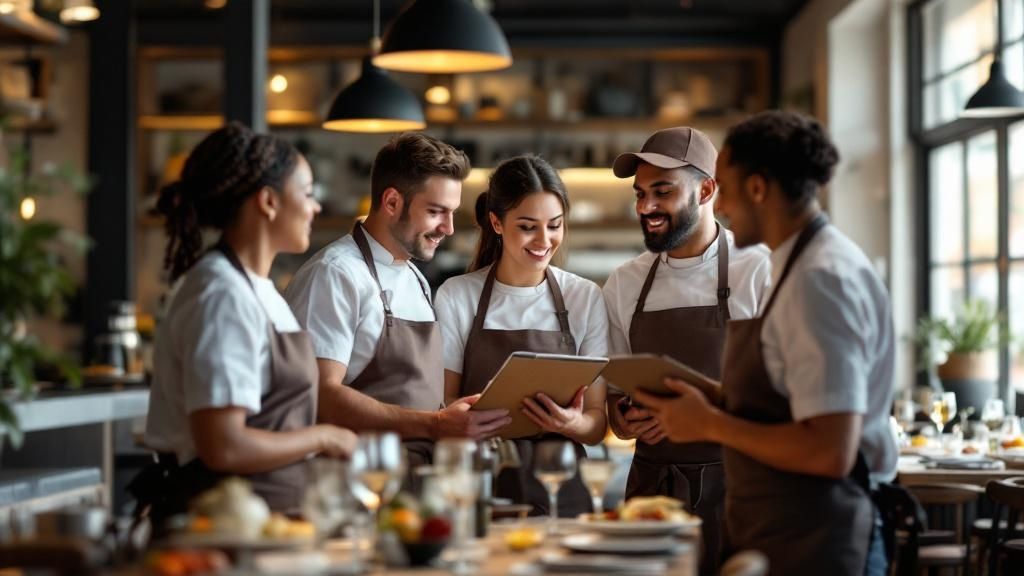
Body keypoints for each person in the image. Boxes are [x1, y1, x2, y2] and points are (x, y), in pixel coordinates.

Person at [636, 111, 896, 576]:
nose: (725, 204)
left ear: (757, 188)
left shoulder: (821, 278)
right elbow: (792, 405)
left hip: (820, 538)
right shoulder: (797, 264)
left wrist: (711, 423)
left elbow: (830, 450)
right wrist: (711, 397)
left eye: (727, 187)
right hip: (787, 529)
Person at [136, 122, 357, 523]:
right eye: (307, 193)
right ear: (268, 201)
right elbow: (224, 446)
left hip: (269, 524)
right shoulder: (221, 295)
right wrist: (324, 436)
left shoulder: (258, 290)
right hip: (220, 530)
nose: (316, 207)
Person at [285, 133, 512, 472]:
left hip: (416, 486)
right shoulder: (336, 273)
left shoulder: (414, 277)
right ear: (391, 202)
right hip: (356, 486)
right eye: (436, 211)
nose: (448, 228)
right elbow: (321, 394)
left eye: (451, 213)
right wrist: (435, 423)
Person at [602, 126, 771, 574]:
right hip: (649, 492)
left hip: (738, 488)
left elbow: (780, 398)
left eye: (662, 192)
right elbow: (615, 402)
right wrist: (624, 418)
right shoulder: (625, 282)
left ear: (707, 189)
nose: (646, 207)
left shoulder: (758, 270)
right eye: (640, 194)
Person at [434, 155, 609, 517]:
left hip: (562, 484)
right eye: (528, 226)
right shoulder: (457, 295)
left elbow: (596, 423)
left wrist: (572, 423)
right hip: (481, 485)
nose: (544, 240)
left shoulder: (585, 296)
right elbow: (444, 407)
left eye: (555, 225)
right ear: (496, 223)